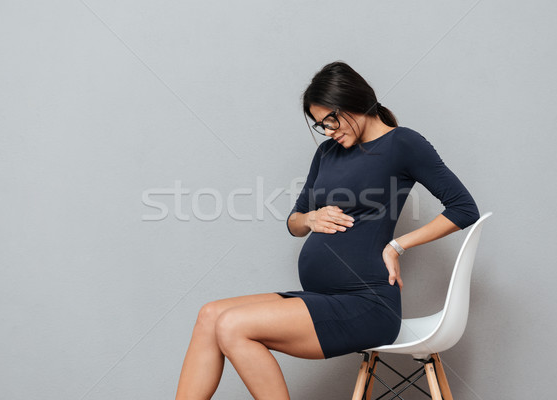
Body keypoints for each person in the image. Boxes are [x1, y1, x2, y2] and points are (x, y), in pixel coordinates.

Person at [175, 61, 480, 400]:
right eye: (320, 125)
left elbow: (464, 208)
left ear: (355, 100)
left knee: (233, 326)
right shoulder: (326, 153)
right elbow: (294, 221)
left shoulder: (402, 143)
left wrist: (397, 245)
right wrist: (310, 219)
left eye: (330, 120)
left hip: (368, 303)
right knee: (209, 315)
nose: (328, 130)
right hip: (325, 299)